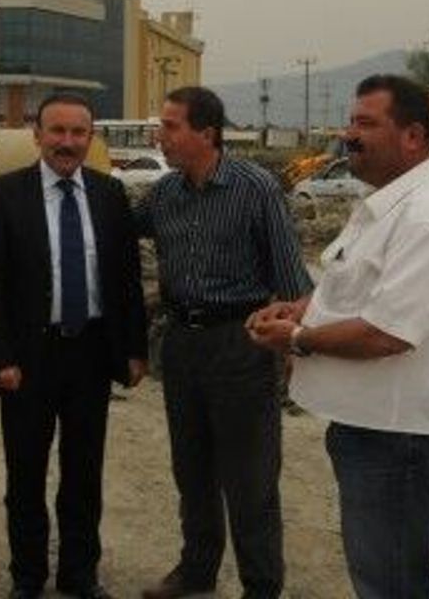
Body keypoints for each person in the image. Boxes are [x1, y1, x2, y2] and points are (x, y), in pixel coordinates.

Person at [247, 74, 429, 598]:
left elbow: (387, 333)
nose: (349, 135)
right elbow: (356, 288)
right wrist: (301, 309)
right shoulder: (387, 204)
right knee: (382, 577)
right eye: (350, 122)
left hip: (406, 438)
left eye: (365, 123)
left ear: (413, 135)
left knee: (393, 585)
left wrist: (299, 337)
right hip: (378, 428)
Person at [136, 86, 311, 599]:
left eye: (170, 127)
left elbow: (292, 280)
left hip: (241, 344)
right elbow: (115, 231)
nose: (160, 136)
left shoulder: (256, 189)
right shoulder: (164, 195)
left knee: (250, 478)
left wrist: (294, 345)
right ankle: (197, 571)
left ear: (206, 133)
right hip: (181, 345)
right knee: (191, 469)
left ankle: (261, 585)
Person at [0, 93, 148, 599]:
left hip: (90, 353)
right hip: (29, 357)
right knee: (25, 474)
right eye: (57, 131)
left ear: (90, 138)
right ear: (37, 135)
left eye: (78, 133)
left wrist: (134, 349)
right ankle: (27, 576)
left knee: (84, 473)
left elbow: (127, 280)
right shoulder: (3, 195)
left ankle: (79, 573)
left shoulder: (109, 194)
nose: (67, 142)